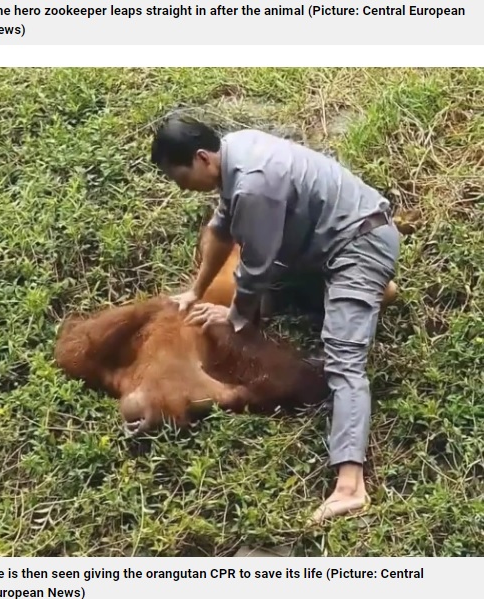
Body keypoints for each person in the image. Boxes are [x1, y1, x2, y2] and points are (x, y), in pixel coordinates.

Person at [150, 116, 401, 523]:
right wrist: (195, 292)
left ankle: (351, 487)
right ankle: (369, 292)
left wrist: (234, 317)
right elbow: (221, 229)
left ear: (201, 158)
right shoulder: (236, 149)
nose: (182, 188)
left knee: (342, 360)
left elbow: (255, 268)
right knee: (275, 290)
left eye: (180, 178)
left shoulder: (251, 184)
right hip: (324, 240)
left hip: (359, 242)